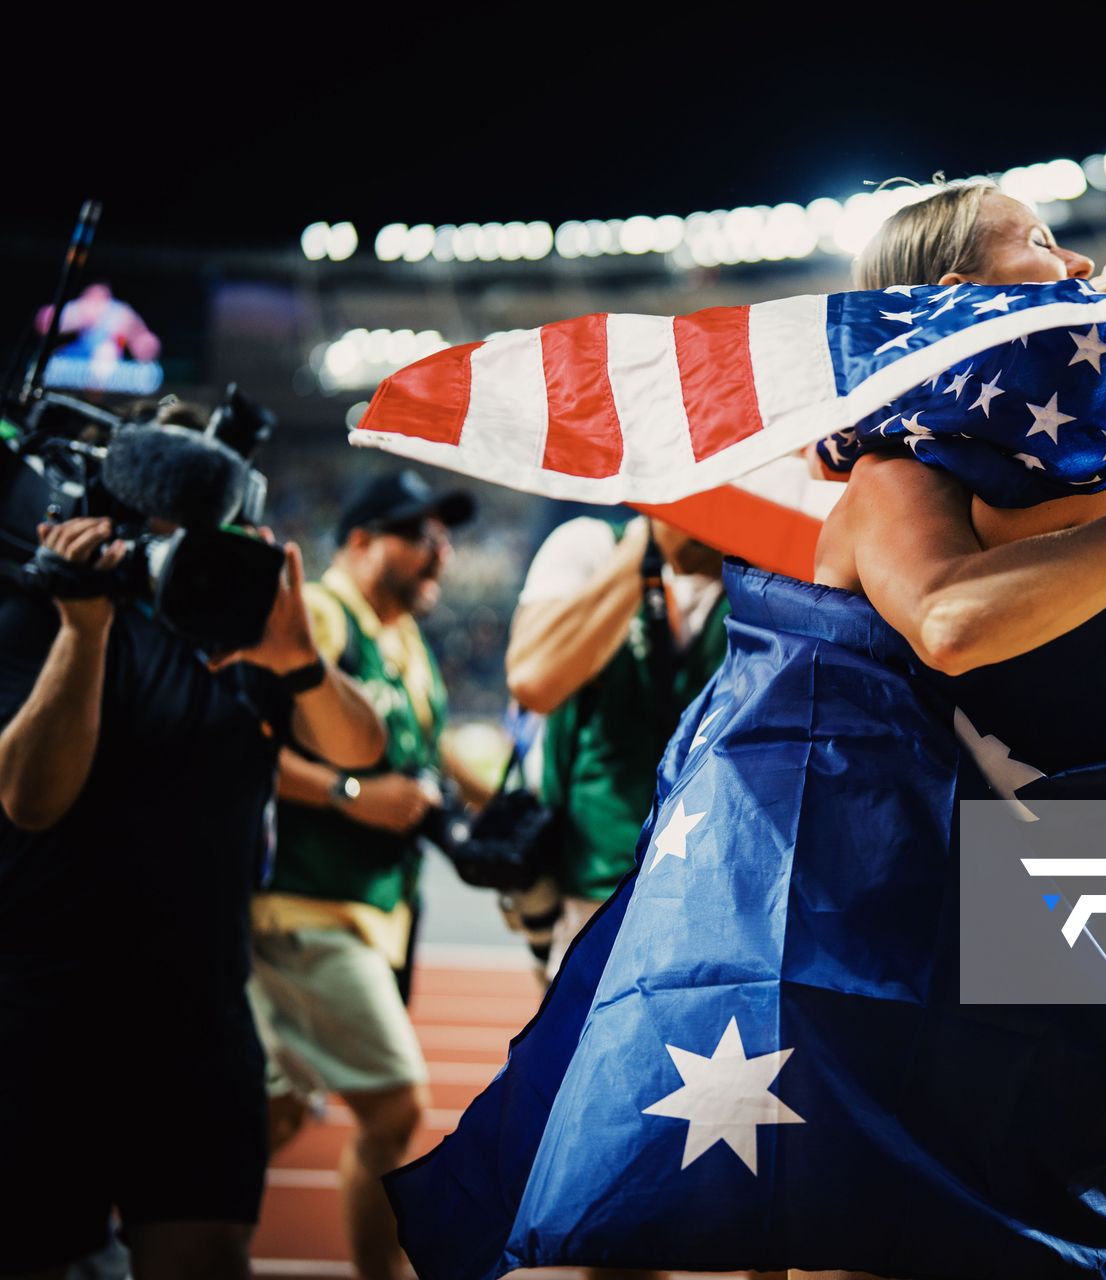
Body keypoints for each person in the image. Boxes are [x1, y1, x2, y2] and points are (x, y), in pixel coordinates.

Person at [388, 70, 1106, 1280]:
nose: (1104, 233)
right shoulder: (974, 429)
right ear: (952, 300)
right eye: (1037, 247)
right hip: (861, 902)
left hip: (1018, 928)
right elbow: (952, 622)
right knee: (792, 1231)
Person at [0, 512, 386, 1280]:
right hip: (46, 1017)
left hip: (198, 1017)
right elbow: (29, 797)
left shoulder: (239, 628)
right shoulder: (38, 611)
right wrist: (83, 626)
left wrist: (302, 659)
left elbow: (359, 746)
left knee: (207, 1255)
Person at [247, 469, 484, 1280]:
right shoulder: (318, 614)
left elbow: (425, 751)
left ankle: (164, 1224)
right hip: (305, 902)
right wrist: (349, 793)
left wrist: (502, 803)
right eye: (418, 535)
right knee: (395, 1104)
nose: (439, 553)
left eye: (442, 537)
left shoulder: (404, 640)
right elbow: (242, 741)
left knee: (275, 1111)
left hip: (375, 908)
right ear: (358, 540)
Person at [505, 515, 730, 978]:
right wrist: (648, 544)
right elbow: (533, 678)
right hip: (595, 888)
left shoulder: (770, 564)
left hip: (722, 892)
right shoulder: (590, 545)